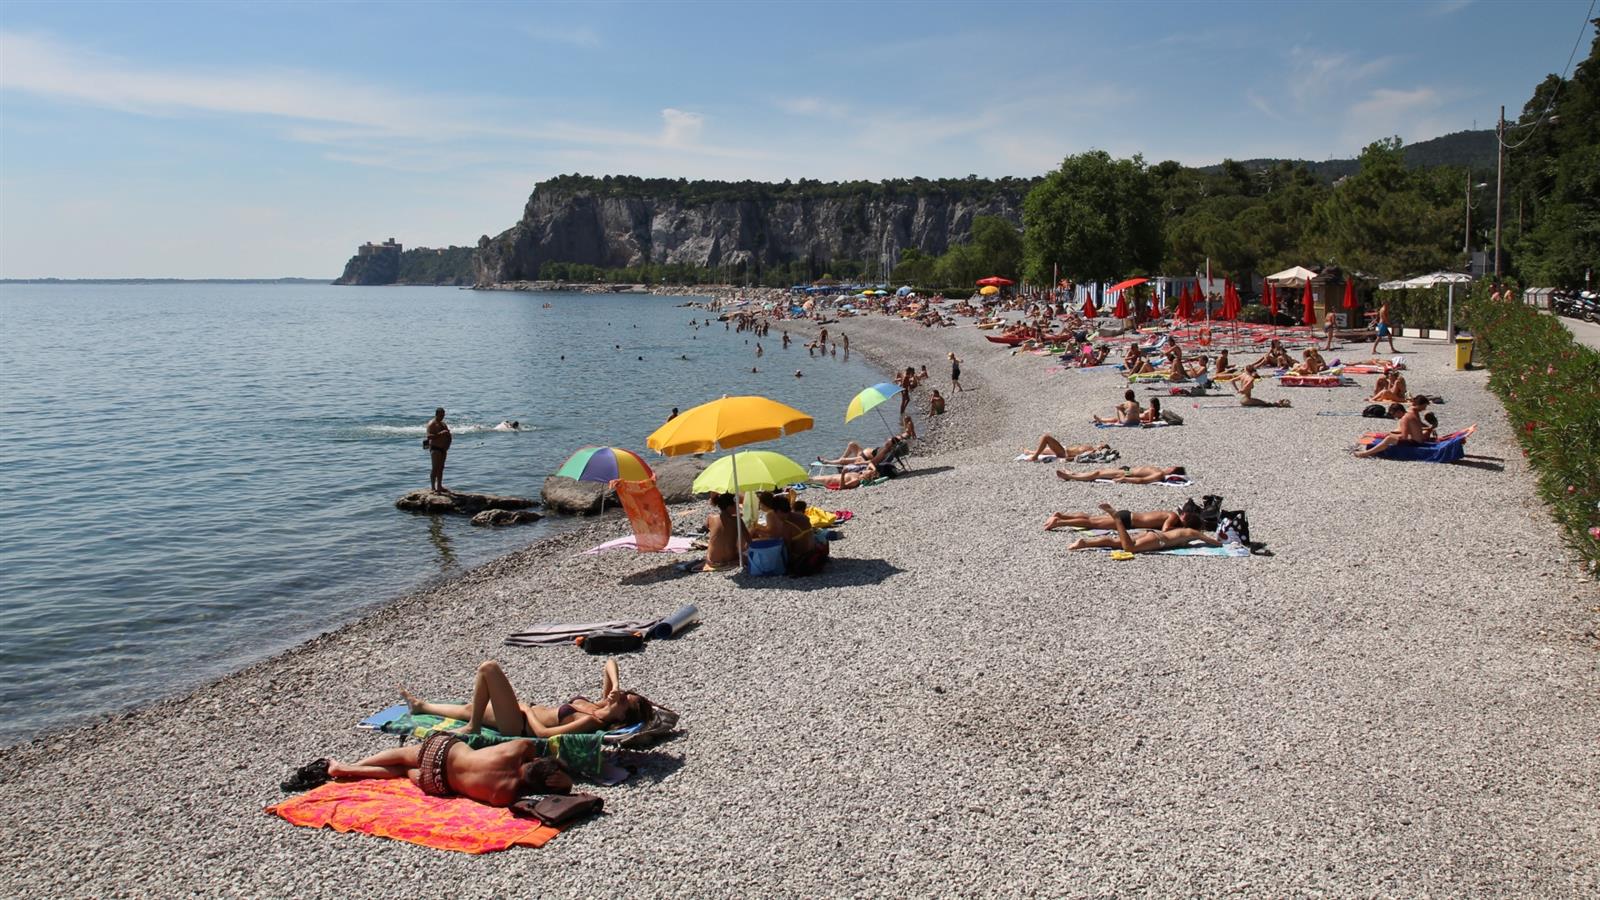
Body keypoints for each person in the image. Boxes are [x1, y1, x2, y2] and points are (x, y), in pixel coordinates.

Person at [1066, 503, 1222, 554]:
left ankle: (1085, 543)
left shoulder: (1182, 531)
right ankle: (1117, 519)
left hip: (1152, 534)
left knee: (1116, 542)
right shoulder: (1192, 533)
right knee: (1129, 548)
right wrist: (1220, 543)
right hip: (1158, 540)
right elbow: (1209, 540)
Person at [1355, 395, 1431, 457]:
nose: (1395, 417)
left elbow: (1404, 436)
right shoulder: (1412, 413)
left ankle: (1365, 453)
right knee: (1390, 437)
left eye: (1394, 414)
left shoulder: (1405, 418)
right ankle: (1374, 452)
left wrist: (1392, 436)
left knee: (1389, 439)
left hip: (1415, 443)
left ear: (1399, 412)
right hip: (1419, 440)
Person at [1044, 506, 1202, 532]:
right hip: (1128, 520)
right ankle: (1060, 522)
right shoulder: (1173, 517)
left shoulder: (1172, 514)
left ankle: (1062, 515)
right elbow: (1166, 529)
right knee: (1092, 523)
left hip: (1128, 515)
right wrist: (1183, 530)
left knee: (1092, 519)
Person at [703, 492, 740, 571]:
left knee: (712, 541)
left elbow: (707, 527)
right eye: (735, 505)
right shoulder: (736, 520)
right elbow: (748, 541)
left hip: (712, 561)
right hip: (730, 559)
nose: (737, 507)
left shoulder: (711, 518)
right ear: (730, 506)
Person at [1055, 464, 1187, 484]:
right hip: (1127, 470)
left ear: (1172, 471)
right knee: (1099, 471)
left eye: (1172, 467)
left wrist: (1125, 479)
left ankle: (1071, 477)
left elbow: (1144, 480)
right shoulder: (1159, 470)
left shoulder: (1159, 475)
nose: (1169, 467)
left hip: (1127, 474)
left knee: (1097, 473)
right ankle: (1074, 473)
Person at [423, 407, 452, 492]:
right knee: (435, 468)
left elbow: (448, 435)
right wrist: (440, 434)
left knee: (441, 468)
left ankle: (439, 486)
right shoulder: (432, 423)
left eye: (443, 414)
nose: (442, 416)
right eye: (441, 415)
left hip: (443, 449)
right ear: (436, 414)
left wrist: (448, 444)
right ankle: (433, 487)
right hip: (435, 448)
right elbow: (429, 436)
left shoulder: (443, 424)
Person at [809, 461, 888, 489]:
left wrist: (843, 474)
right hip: (831, 477)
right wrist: (874, 470)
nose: (866, 470)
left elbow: (842, 487)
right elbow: (870, 463)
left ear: (867, 476)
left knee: (810, 480)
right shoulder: (857, 474)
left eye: (868, 471)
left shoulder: (856, 480)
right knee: (810, 478)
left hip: (828, 481)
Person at [1020, 436, 1110, 461]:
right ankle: (1030, 452)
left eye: (1101, 446)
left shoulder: (1092, 452)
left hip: (1064, 453)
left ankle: (1035, 456)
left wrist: (1067, 458)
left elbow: (1080, 457)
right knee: (1048, 450)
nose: (1100, 444)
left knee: (1046, 437)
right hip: (1065, 449)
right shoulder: (1090, 447)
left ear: (1101, 449)